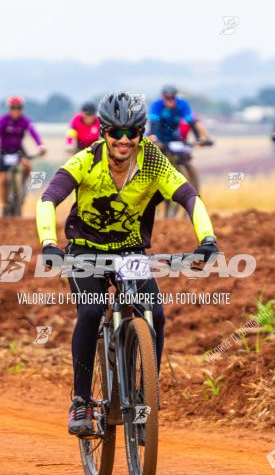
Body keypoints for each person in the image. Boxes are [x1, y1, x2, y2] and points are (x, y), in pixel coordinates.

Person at [35, 92, 219, 435]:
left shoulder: (153, 161)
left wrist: (206, 238)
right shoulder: (86, 161)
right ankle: (81, 400)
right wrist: (48, 243)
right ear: (103, 132)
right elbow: (48, 199)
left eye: (131, 133)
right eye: (115, 132)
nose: (123, 140)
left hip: (129, 252)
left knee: (156, 313)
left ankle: (147, 390)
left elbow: (189, 197)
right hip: (85, 251)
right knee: (91, 311)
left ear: (140, 133)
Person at [0, 96, 47, 216]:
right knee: (3, 179)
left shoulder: (25, 121)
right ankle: (3, 205)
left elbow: (33, 133)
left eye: (18, 108)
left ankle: (22, 185)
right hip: (4, 152)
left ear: (22, 109)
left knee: (27, 165)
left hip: (18, 151)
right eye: (13, 108)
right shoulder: (2, 121)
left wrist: (41, 146)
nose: (16, 110)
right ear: (9, 108)